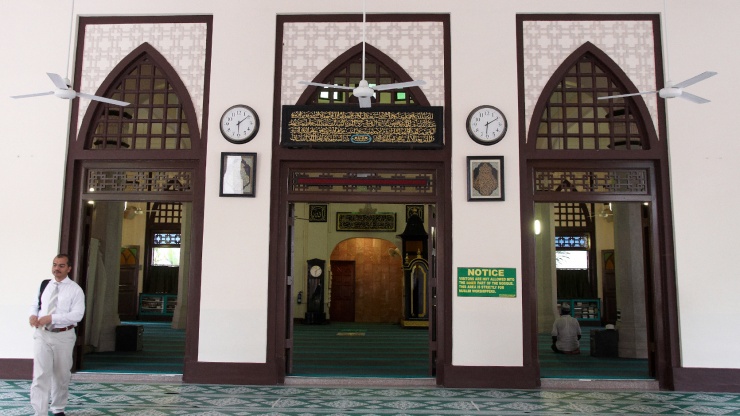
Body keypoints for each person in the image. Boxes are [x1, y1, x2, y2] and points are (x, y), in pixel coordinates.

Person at [28, 254, 85, 416]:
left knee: (61, 375)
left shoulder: (75, 290)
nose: (56, 269)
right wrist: (33, 315)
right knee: (40, 375)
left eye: (61, 265)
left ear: (69, 268)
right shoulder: (44, 285)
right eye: (54, 265)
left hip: (63, 336)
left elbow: (77, 315)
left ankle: (58, 408)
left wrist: (52, 318)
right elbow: (35, 305)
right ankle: (39, 412)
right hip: (42, 335)